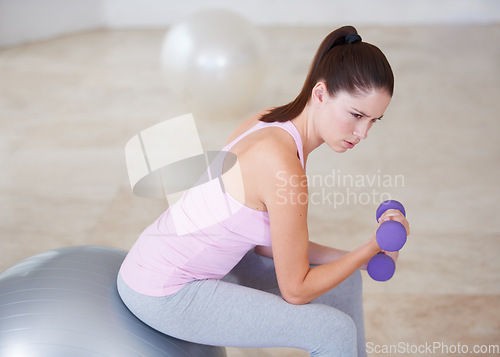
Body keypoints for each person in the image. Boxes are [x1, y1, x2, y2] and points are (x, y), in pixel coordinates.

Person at [117, 25, 410, 357]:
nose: (363, 132)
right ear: (320, 94)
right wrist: (369, 247)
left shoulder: (267, 121)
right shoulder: (283, 166)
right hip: (165, 291)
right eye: (356, 114)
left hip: (178, 263)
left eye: (374, 120)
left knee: (346, 282)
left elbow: (269, 244)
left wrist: (363, 258)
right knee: (333, 332)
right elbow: (296, 290)